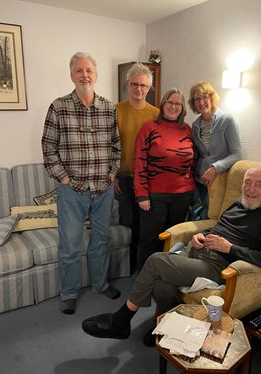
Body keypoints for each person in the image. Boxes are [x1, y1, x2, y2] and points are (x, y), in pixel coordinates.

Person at [82, 167, 261, 345]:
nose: (251, 189)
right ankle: (166, 327)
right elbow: (220, 228)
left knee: (155, 260)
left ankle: (121, 322)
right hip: (196, 251)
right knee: (161, 286)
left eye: (259, 184)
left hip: (216, 266)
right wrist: (203, 235)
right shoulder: (239, 203)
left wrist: (230, 249)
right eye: (248, 182)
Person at [41, 52, 121, 315]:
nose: (84, 75)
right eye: (79, 71)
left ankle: (100, 284)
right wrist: (63, 178)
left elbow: (115, 146)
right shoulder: (59, 107)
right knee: (70, 244)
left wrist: (112, 173)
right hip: (71, 190)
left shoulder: (108, 108)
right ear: (71, 75)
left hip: (102, 188)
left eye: (88, 70)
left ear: (96, 76)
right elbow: (48, 148)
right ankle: (70, 292)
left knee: (100, 240)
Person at [134, 88, 195, 271]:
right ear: (163, 104)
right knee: (149, 239)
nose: (173, 106)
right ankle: (144, 281)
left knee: (174, 240)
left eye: (178, 103)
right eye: (170, 102)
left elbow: (193, 161)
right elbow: (139, 161)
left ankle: (164, 278)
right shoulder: (149, 127)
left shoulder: (187, 130)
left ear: (182, 108)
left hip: (182, 195)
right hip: (154, 196)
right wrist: (142, 195)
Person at [115, 63, 159, 272]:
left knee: (147, 225)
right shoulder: (116, 110)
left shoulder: (156, 114)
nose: (138, 89)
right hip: (123, 177)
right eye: (134, 84)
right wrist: (112, 176)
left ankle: (145, 266)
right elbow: (108, 146)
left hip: (149, 181)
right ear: (127, 85)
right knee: (128, 223)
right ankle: (130, 266)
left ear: (149, 87)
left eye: (143, 85)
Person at [188, 81, 241, 219]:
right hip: (199, 182)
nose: (201, 102)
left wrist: (214, 168)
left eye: (204, 97)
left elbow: (236, 154)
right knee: (196, 217)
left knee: (210, 219)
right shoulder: (195, 125)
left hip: (218, 181)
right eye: (197, 99)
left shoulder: (226, 120)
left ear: (211, 97)